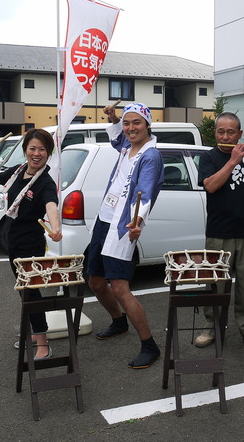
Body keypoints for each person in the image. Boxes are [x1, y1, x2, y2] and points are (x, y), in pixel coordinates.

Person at [0, 128, 62, 360]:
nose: (36, 153)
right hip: (13, 240)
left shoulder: (45, 182)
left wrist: (56, 227)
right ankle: (35, 333)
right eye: (32, 148)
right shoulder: (19, 171)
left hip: (30, 244)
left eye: (42, 149)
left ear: (48, 153)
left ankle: (42, 344)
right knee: (24, 291)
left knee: (31, 292)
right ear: (25, 151)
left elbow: (51, 205)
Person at [87, 102, 164, 369]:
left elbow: (145, 192)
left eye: (137, 123)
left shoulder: (150, 156)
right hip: (103, 219)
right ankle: (119, 322)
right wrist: (112, 117)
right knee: (96, 281)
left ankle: (149, 345)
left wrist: (137, 221)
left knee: (120, 287)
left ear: (148, 125)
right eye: (128, 123)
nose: (131, 128)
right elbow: (118, 137)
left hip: (122, 226)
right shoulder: (126, 147)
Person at [194, 112, 244, 352]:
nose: (226, 136)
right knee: (215, 283)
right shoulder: (209, 157)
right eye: (221, 131)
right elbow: (210, 185)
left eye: (231, 132)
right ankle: (212, 327)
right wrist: (232, 161)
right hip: (219, 233)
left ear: (240, 134)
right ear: (215, 133)